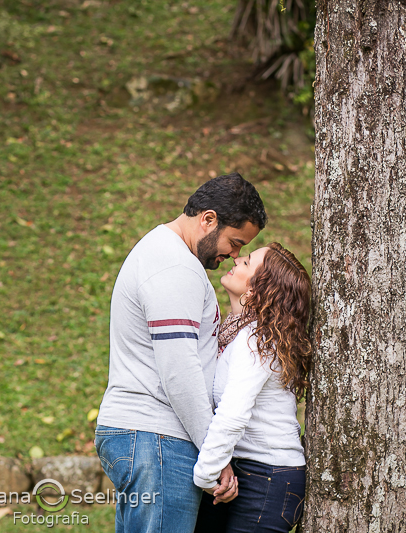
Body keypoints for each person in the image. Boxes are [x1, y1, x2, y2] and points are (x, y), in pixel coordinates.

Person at [95, 173, 268, 533]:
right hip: (156, 439)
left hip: (146, 437)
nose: (234, 255)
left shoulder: (165, 255)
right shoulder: (174, 267)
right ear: (208, 219)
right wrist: (215, 454)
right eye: (234, 242)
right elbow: (180, 371)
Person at [193, 242, 312, 533]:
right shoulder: (234, 334)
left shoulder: (256, 341)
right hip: (246, 470)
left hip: (267, 478)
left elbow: (233, 413)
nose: (236, 259)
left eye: (246, 263)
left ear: (258, 290)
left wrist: (206, 474)